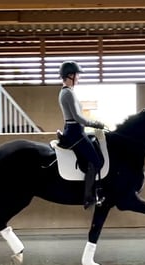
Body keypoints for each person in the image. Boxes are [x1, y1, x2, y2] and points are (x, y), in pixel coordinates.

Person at [58, 60, 105, 210]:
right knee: (96, 162)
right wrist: (95, 123)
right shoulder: (68, 93)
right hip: (75, 132)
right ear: (70, 75)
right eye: (77, 75)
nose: (78, 78)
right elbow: (78, 118)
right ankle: (88, 198)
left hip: (76, 130)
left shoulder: (67, 92)